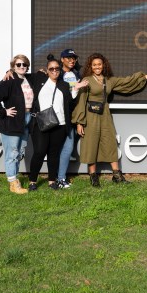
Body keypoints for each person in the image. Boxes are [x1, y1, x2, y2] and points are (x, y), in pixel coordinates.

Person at [72, 53, 147, 187]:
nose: (97, 67)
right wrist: (80, 122)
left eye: (99, 64)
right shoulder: (87, 80)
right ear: (90, 67)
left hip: (105, 114)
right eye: (94, 65)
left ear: (103, 65)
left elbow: (127, 81)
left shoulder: (109, 80)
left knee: (109, 141)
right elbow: (81, 100)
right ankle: (93, 176)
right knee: (91, 143)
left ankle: (117, 175)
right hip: (90, 115)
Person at [28, 54, 87, 191]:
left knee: (54, 154)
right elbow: (22, 75)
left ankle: (51, 181)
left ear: (60, 70)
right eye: (51, 69)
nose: (54, 71)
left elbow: (70, 101)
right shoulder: (39, 79)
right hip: (41, 123)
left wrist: (77, 88)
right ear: (47, 70)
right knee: (39, 152)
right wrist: (10, 72)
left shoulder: (64, 85)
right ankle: (32, 181)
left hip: (60, 124)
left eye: (57, 69)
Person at [0, 55, 33, 194]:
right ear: (13, 66)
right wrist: (3, 111)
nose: (22, 67)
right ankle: (13, 184)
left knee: (20, 152)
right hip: (12, 122)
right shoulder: (9, 80)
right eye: (18, 64)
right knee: (12, 153)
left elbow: (43, 74)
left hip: (26, 120)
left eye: (24, 64)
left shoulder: (28, 79)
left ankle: (15, 179)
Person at [57, 49, 82, 188]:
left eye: (74, 58)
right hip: (58, 116)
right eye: (68, 58)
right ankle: (54, 178)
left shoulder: (77, 74)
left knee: (67, 148)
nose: (72, 60)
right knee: (55, 148)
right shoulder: (55, 72)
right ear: (62, 59)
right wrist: (10, 71)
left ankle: (61, 178)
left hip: (72, 117)